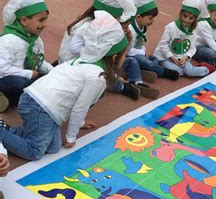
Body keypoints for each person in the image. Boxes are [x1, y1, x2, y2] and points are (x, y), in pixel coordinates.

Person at [0, 11, 128, 161]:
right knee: (34, 152)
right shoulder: (97, 77)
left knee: (53, 148)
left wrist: (79, 123)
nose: (124, 60)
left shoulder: (82, 61)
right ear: (113, 57)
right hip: (41, 107)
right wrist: (71, 137)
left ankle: (9, 131)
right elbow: (79, 108)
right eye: (123, 56)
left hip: (37, 102)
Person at [0, 0, 53, 113]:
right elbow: (3, 69)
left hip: (25, 75)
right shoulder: (9, 40)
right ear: (24, 20)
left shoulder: (35, 40)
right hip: (6, 78)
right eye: (40, 20)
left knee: (49, 76)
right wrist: (28, 73)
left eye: (45, 19)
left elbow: (38, 61)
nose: (44, 24)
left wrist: (53, 71)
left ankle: (9, 100)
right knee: (20, 84)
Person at [128, 0, 179, 82]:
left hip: (137, 53)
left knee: (148, 59)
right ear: (138, 17)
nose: (152, 21)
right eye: (150, 18)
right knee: (144, 61)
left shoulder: (142, 27)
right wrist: (141, 53)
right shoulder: (130, 29)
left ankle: (146, 68)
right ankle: (162, 71)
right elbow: (127, 50)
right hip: (128, 55)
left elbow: (141, 44)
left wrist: (142, 50)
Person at [154, 0, 213, 77]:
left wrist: (186, 57)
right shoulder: (171, 27)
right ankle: (189, 69)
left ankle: (206, 69)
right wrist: (171, 57)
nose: (187, 20)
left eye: (191, 18)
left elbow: (192, 48)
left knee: (189, 72)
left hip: (181, 58)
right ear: (181, 14)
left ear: (195, 19)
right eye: (185, 16)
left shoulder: (193, 30)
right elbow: (163, 44)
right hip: (165, 57)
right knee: (178, 71)